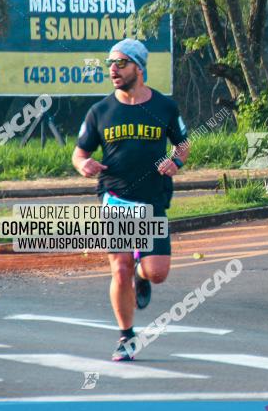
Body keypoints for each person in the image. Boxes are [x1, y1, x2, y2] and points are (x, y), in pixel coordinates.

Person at [71, 38, 190, 361]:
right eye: (110, 63)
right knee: (119, 268)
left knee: (157, 272)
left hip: (152, 197)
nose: (113, 69)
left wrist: (175, 162)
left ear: (139, 67)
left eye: (120, 63)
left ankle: (142, 275)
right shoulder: (101, 111)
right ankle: (126, 336)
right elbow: (79, 153)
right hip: (116, 197)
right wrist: (84, 165)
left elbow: (183, 145)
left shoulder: (165, 107)